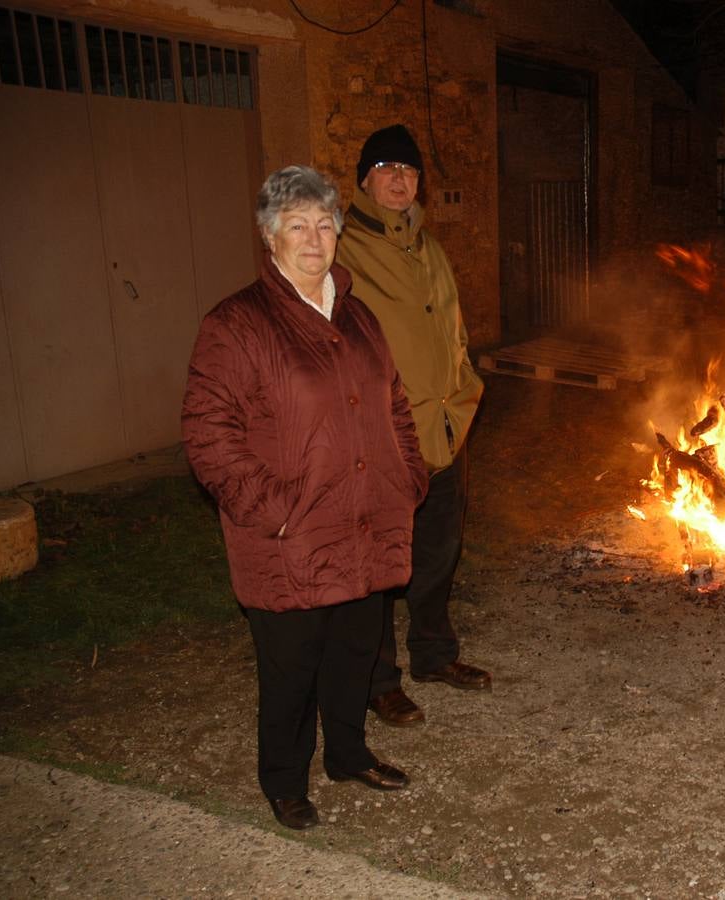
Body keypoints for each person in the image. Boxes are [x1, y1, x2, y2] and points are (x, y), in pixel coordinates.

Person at [182, 166, 429, 829]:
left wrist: (408, 478)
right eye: (297, 225)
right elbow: (208, 434)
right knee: (291, 673)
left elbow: (394, 405)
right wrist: (273, 511)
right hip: (290, 537)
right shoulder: (237, 324)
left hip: (365, 522)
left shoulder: (359, 317)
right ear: (270, 237)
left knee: (355, 653)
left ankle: (348, 754)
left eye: (324, 224)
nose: (313, 238)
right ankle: (284, 780)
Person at [336, 124, 490, 727]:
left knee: (438, 550)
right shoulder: (344, 246)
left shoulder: (427, 243)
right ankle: (379, 681)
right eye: (386, 169)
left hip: (447, 424)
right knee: (379, 563)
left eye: (408, 171)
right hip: (386, 432)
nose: (399, 179)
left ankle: (433, 654)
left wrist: (464, 380)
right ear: (365, 180)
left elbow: (450, 322)